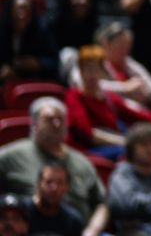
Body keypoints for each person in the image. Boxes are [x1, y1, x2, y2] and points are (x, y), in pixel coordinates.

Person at [0, 97, 108, 236]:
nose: (56, 124)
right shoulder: (12, 155)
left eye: (61, 119)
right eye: (49, 119)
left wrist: (92, 231)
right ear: (35, 124)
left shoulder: (82, 161)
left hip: (79, 230)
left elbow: (102, 203)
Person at [24, 161, 84, 236]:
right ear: (38, 184)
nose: (54, 188)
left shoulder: (73, 220)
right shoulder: (20, 212)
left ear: (67, 188)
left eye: (60, 183)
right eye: (49, 182)